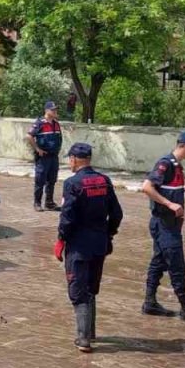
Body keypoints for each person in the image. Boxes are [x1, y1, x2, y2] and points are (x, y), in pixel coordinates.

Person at [141, 131, 185, 323]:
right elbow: (147, 187)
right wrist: (170, 204)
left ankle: (149, 302)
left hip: (169, 224)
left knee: (159, 261)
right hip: (164, 224)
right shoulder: (166, 164)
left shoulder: (176, 166)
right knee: (177, 265)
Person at [56, 143, 122, 353]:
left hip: (78, 246)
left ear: (75, 159)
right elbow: (117, 214)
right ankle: (91, 332)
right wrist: (108, 234)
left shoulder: (72, 183)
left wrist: (60, 239)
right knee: (92, 287)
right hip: (99, 244)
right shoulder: (104, 181)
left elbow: (68, 216)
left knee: (78, 290)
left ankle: (83, 339)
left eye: (70, 159)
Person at [26, 101, 64, 211]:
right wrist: (37, 149)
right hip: (43, 157)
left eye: (56, 109)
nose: (55, 111)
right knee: (40, 180)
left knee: (52, 180)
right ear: (47, 111)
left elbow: (59, 138)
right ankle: (37, 203)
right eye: (53, 109)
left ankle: (49, 202)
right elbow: (29, 136)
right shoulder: (40, 123)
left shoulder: (56, 124)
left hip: (53, 156)